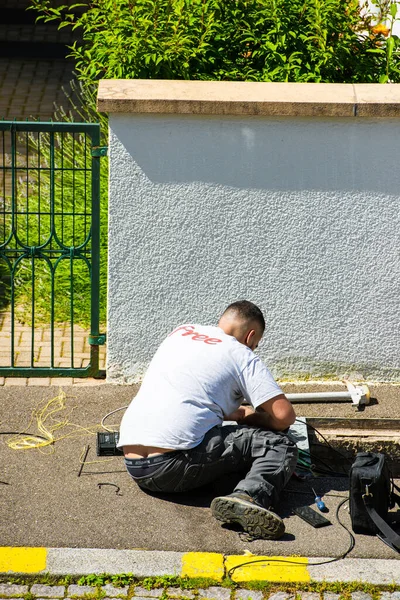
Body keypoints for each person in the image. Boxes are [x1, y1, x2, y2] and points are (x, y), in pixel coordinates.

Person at [118, 300, 298, 540]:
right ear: (250, 336)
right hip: (172, 468)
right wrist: (247, 416)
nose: (253, 349)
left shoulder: (182, 332)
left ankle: (230, 486)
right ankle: (248, 497)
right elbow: (284, 416)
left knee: (226, 448)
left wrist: (228, 412)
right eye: (255, 345)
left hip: (134, 466)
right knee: (279, 444)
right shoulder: (241, 354)